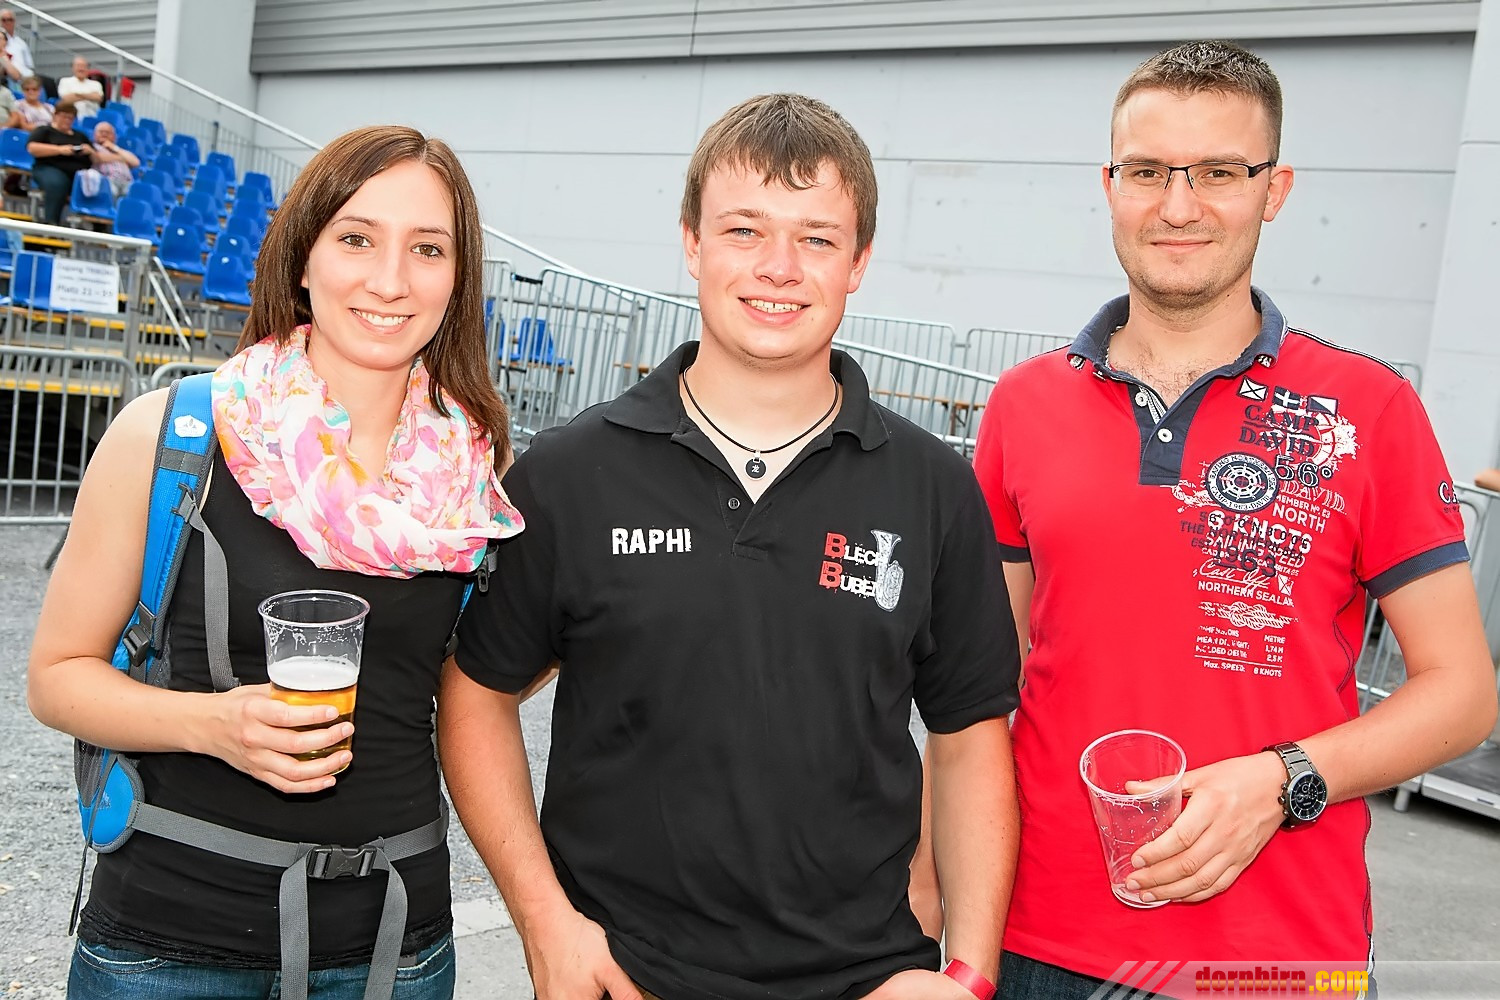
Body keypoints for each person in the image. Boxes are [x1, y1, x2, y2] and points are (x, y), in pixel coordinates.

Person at [440, 92, 1022, 1000]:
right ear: (692, 243)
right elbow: (474, 695)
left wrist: (969, 975)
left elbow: (970, 737)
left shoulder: (933, 488)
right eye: (744, 230)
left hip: (863, 979)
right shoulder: (570, 476)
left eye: (817, 238)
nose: (778, 268)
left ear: (860, 262)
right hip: (624, 978)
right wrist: (545, 921)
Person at [971, 40, 1499, 999]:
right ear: (1109, 186)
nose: (1178, 206)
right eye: (1147, 171)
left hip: (1280, 966)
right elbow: (980, 686)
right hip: (1041, 939)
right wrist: (946, 901)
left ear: (1274, 189)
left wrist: (1281, 778)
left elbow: (1463, 692)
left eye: (1218, 171)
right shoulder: (1022, 405)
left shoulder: (1367, 409)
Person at [27, 124, 524, 999]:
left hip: (393, 948)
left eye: (428, 248)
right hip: (167, 948)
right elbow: (57, 678)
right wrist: (211, 725)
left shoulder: (481, 475)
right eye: (356, 238)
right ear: (303, 260)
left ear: (457, 279)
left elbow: (473, 698)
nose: (390, 279)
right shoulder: (175, 434)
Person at [25, 98, 96, 225]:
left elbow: (97, 158)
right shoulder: (44, 131)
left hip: (79, 173)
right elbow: (32, 148)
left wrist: (90, 151)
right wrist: (59, 150)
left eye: (71, 118)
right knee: (58, 183)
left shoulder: (80, 136)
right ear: (56, 115)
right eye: (64, 116)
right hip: (48, 168)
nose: (67, 120)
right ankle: (51, 222)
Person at [88, 118, 138, 197]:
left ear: (114, 137)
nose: (104, 134)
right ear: (94, 134)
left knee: (135, 196)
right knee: (112, 191)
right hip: (106, 181)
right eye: (101, 132)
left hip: (127, 183)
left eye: (108, 132)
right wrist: (121, 158)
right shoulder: (92, 147)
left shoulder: (118, 150)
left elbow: (136, 162)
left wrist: (114, 148)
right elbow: (97, 158)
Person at [0, 9, 33, 78]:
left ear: (14, 21)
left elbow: (29, 65)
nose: (7, 22)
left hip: (26, 78)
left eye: (10, 20)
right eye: (4, 20)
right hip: (7, 79)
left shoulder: (21, 43)